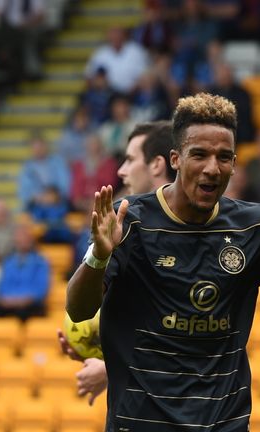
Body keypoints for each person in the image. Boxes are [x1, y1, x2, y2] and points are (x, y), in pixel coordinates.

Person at [66, 93, 260, 430]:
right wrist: (99, 256)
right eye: (199, 155)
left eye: (224, 157)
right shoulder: (129, 221)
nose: (212, 168)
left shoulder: (253, 226)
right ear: (175, 158)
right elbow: (79, 309)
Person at [59, 121, 175, 406]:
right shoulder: (120, 224)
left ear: (158, 165)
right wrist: (102, 350)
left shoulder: (187, 232)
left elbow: (183, 333)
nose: (121, 170)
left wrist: (112, 368)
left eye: (131, 159)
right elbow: (79, 307)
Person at [0, 224, 50, 320]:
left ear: (30, 240)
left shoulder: (40, 262)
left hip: (30, 304)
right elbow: (2, 287)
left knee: (25, 312)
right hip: (10, 304)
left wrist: (24, 300)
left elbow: (41, 289)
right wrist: (9, 300)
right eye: (19, 239)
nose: (22, 242)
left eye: (25, 238)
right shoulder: (8, 262)